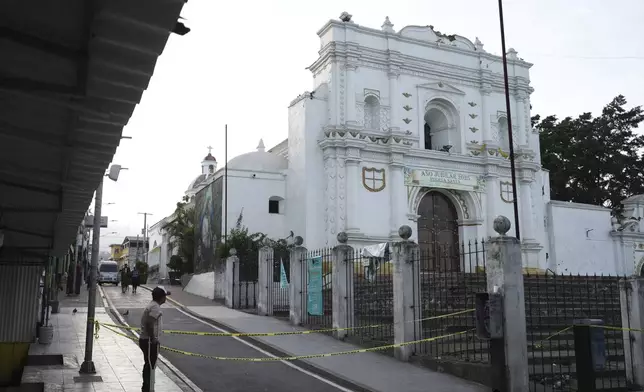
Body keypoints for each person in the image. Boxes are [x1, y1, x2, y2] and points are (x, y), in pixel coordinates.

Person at [139, 286, 170, 392]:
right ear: (161, 297)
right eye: (165, 296)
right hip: (148, 341)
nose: (166, 298)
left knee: (149, 363)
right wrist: (153, 339)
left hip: (147, 340)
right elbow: (149, 324)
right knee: (150, 364)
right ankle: (148, 387)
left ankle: (147, 386)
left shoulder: (153, 305)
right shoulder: (155, 307)